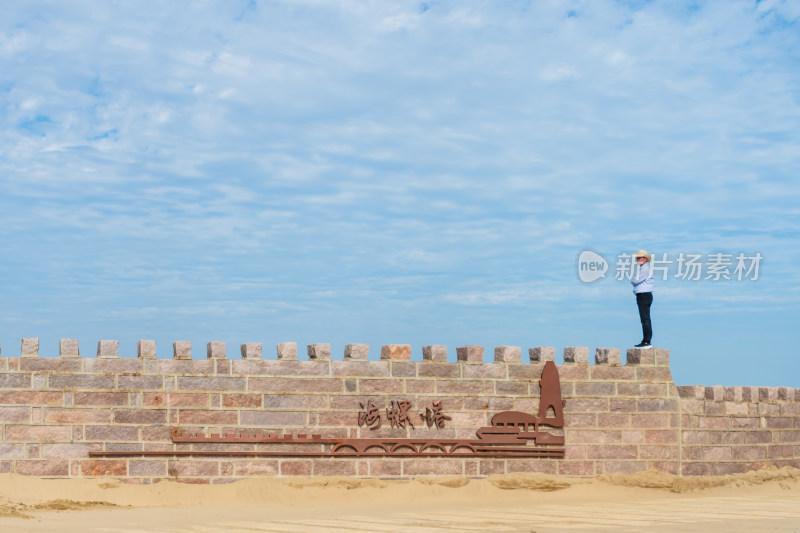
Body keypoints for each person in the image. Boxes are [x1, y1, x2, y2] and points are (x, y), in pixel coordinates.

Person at [631, 250, 654, 348]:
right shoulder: (642, 269)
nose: (637, 259)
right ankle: (646, 340)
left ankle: (646, 341)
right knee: (645, 318)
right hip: (643, 296)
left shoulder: (645, 269)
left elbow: (636, 280)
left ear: (644, 259)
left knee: (645, 319)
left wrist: (633, 280)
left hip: (644, 296)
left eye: (639, 258)